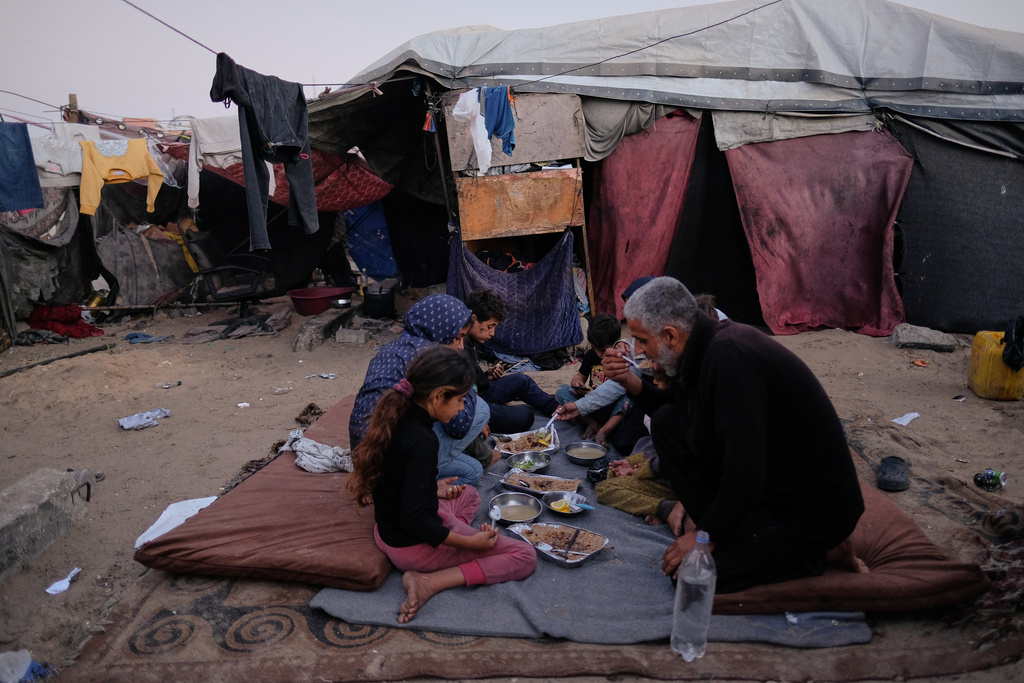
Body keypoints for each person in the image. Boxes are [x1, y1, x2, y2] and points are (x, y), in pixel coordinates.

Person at [604, 276, 864, 594]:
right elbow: (673, 411)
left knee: (689, 576)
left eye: (643, 341)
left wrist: (705, 538)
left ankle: (821, 554)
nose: (640, 351)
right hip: (767, 490)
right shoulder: (698, 348)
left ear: (670, 335)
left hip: (807, 509)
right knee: (666, 422)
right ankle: (735, 532)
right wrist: (630, 382)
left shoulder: (731, 359)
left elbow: (746, 470)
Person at [348, 346, 537, 623]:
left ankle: (452, 536)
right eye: (460, 399)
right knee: (524, 555)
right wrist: (469, 543)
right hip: (410, 547)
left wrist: (428, 488)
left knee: (469, 494)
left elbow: (393, 479)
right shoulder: (423, 440)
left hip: (385, 530)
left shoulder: (398, 415)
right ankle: (431, 582)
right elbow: (415, 521)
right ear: (438, 396)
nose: (462, 407)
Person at [349, 293, 497, 485]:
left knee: (472, 470)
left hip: (365, 457)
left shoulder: (395, 348)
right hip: (391, 462)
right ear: (441, 331)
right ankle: (414, 481)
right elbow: (458, 426)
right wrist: (468, 389)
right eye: (458, 338)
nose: (461, 347)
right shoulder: (431, 360)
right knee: (480, 409)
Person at [463, 289, 559, 434]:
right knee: (525, 416)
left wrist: (484, 375)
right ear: (474, 319)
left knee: (522, 381)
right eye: (489, 327)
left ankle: (557, 409)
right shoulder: (459, 344)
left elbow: (471, 378)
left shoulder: (470, 341)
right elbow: (465, 392)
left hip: (483, 391)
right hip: (473, 403)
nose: (492, 333)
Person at [554, 313, 638, 447]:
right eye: (595, 349)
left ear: (618, 341)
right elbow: (580, 376)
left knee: (631, 397)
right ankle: (591, 423)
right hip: (590, 406)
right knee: (562, 391)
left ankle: (605, 429)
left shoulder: (624, 359)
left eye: (603, 350)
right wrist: (577, 383)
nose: (599, 354)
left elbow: (621, 388)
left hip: (613, 408)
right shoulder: (591, 356)